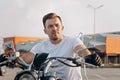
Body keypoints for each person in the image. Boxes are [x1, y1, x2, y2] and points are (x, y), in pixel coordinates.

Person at [20, 12, 102, 80]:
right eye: (50, 26)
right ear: (45, 31)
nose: (54, 28)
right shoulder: (40, 46)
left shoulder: (72, 41)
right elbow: (26, 59)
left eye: (57, 25)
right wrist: (14, 59)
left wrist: (89, 57)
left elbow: (81, 50)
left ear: (62, 28)